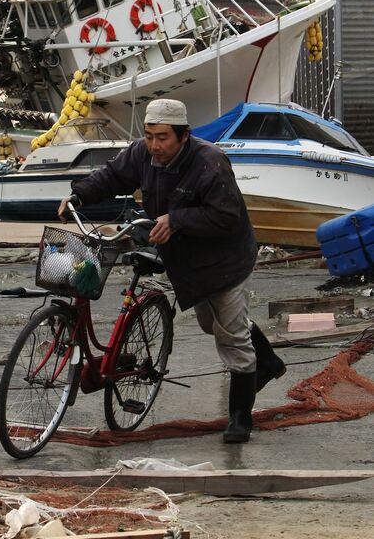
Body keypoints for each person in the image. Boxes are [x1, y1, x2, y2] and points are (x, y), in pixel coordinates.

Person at [58, 98, 285, 444]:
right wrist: (79, 195)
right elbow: (113, 176)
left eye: (163, 137)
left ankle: (241, 417)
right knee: (214, 324)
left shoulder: (210, 162)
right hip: (187, 262)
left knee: (231, 335)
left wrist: (177, 220)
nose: (154, 145)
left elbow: (226, 215)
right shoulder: (143, 154)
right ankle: (268, 362)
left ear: (184, 136)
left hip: (225, 260)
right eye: (149, 136)